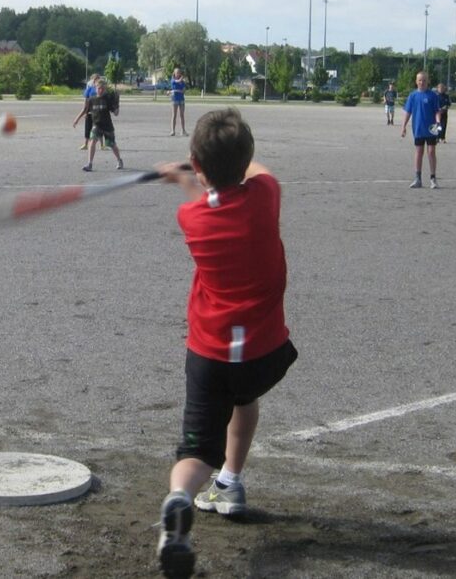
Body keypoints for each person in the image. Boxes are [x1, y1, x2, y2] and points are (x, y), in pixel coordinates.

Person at [154, 107, 298, 579]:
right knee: (244, 399)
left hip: (210, 354)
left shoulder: (191, 217)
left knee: (195, 452)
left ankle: (181, 498)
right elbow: (254, 171)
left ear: (199, 164)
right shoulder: (267, 196)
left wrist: (185, 176)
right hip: (262, 355)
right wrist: (199, 167)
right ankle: (230, 482)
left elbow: (206, 200)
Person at [400, 71, 442, 189]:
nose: (422, 82)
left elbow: (437, 111)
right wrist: (403, 126)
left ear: (428, 81)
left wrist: (438, 122)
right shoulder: (413, 96)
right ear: (416, 81)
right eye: (420, 80)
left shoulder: (433, 95)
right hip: (418, 128)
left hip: (431, 128)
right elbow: (408, 112)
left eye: (424, 80)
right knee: (419, 152)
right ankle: (418, 178)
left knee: (431, 151)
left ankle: (433, 178)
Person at [71, 78, 124, 172]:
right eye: (99, 88)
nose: (101, 90)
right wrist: (76, 119)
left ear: (105, 89)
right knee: (92, 141)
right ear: (96, 88)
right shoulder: (92, 99)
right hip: (97, 125)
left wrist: (117, 105)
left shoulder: (108, 99)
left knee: (111, 144)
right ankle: (89, 164)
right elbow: (85, 110)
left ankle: (119, 160)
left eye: (103, 88)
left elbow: (116, 113)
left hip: (107, 126)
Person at [79, 74, 102, 151]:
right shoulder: (90, 89)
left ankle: (102, 145)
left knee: (99, 128)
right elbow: (87, 102)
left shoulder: (100, 89)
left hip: (98, 111)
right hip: (90, 111)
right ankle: (86, 144)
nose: (95, 81)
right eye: (94, 80)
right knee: (88, 128)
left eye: (97, 79)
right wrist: (86, 112)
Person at [169, 68, 188, 136]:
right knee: (174, 115)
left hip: (181, 99)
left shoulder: (182, 82)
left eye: (179, 72)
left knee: (182, 115)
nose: (178, 74)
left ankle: (183, 130)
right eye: (177, 73)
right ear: (174, 73)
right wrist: (175, 91)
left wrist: (182, 90)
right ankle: (173, 130)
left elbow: (183, 90)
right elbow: (177, 82)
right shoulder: (173, 80)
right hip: (174, 99)